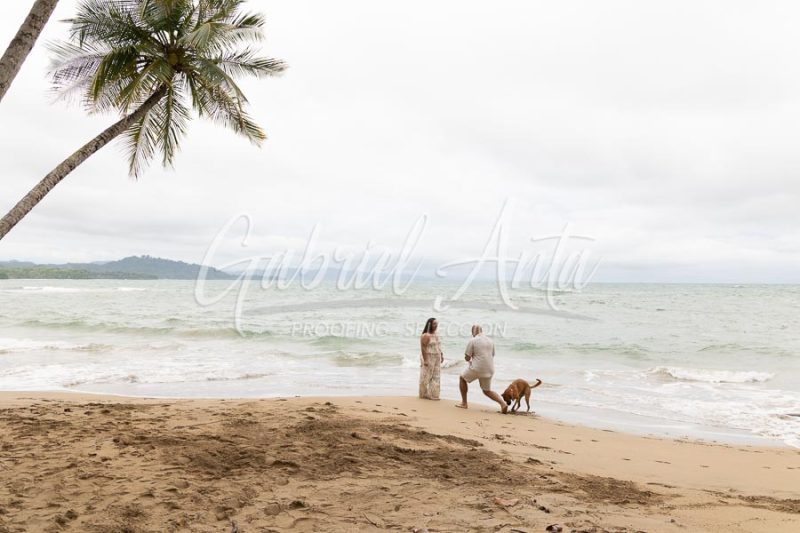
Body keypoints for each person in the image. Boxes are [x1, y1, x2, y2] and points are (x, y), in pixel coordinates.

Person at [456, 324, 507, 413]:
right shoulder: (490, 341)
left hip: (477, 368)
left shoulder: (473, 340)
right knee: (487, 391)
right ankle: (503, 404)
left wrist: (470, 360)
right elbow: (492, 355)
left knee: (462, 378)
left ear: (473, 332)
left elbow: (467, 357)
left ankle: (464, 403)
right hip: (490, 369)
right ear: (481, 331)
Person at [419, 317, 443, 399]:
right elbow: (423, 348)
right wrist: (425, 360)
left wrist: (442, 355)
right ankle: (423, 394)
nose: (436, 325)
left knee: (436, 376)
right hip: (429, 356)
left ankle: (433, 394)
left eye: (437, 323)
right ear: (430, 324)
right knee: (426, 376)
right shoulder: (426, 335)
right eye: (434, 324)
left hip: (437, 356)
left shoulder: (436, 334)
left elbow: (438, 345)